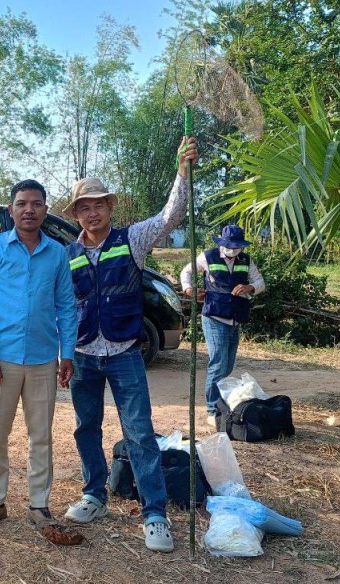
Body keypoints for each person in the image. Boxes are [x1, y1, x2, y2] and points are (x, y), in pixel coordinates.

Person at [60, 136, 198, 554]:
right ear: (76, 214)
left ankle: (155, 513)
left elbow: (171, 216)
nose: (92, 212)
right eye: (84, 207)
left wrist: (183, 172)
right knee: (86, 427)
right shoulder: (66, 255)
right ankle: (94, 495)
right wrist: (61, 355)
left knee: (138, 432)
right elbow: (60, 308)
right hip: (83, 355)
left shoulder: (132, 240)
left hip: (124, 354)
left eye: (99, 204)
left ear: (110, 207)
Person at [0, 180, 77, 532]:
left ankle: (39, 504)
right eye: (21, 203)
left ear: (45, 209)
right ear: (11, 209)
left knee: (41, 434)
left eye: (36, 203)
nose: (28, 210)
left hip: (44, 358)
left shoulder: (57, 253)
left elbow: (66, 306)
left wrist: (67, 353)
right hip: (2, 358)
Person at [180, 224, 266, 426]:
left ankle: (221, 404)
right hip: (214, 317)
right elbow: (186, 272)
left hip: (236, 318)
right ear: (222, 243)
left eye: (237, 247)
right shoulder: (207, 257)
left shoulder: (246, 260)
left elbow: (260, 283)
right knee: (218, 364)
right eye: (229, 246)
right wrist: (189, 290)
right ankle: (212, 410)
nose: (233, 250)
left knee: (227, 364)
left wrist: (249, 287)